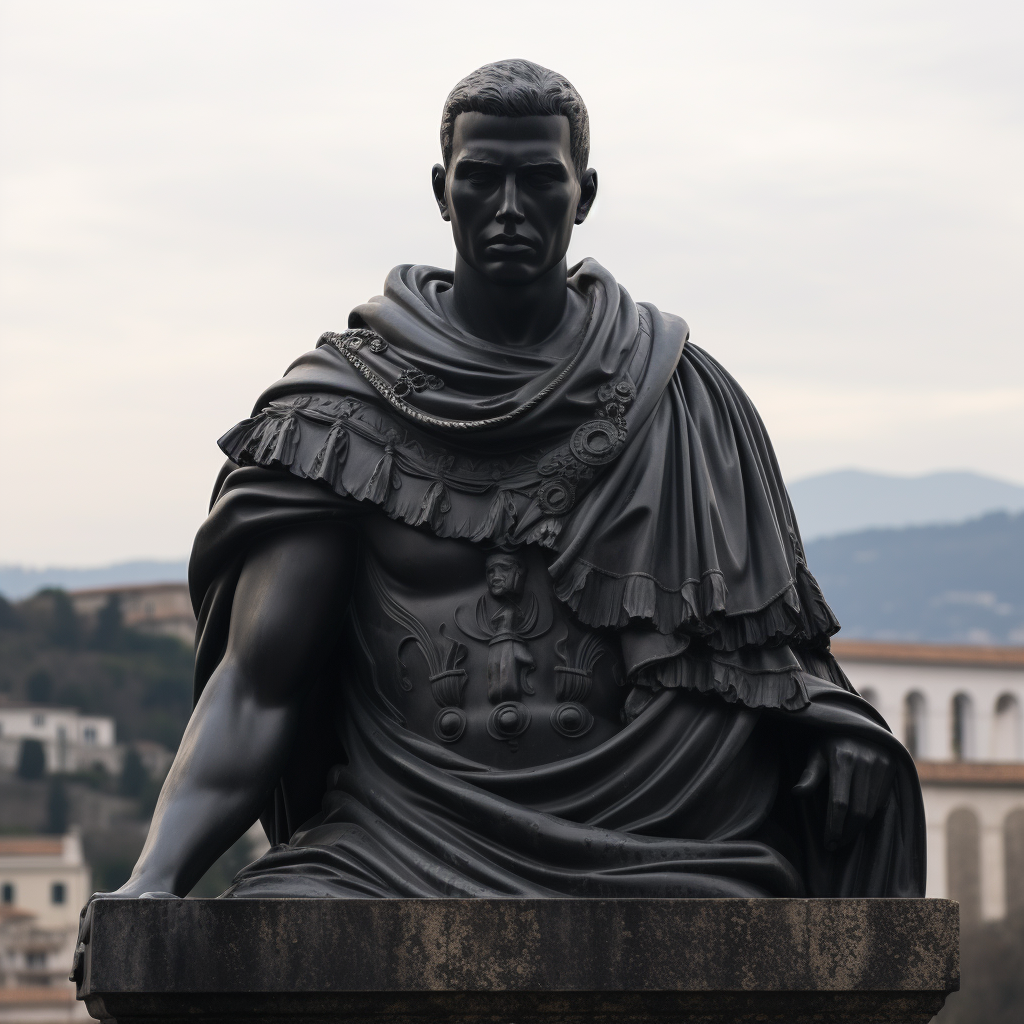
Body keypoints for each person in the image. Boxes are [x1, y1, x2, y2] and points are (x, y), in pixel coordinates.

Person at [80, 60, 925, 923]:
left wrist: (834, 729)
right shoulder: (345, 412)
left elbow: (768, 645)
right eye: (484, 179)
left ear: (584, 193)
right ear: (444, 190)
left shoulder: (682, 398)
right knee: (270, 931)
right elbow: (259, 682)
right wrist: (157, 875)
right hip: (398, 837)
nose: (511, 209)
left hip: (664, 831)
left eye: (540, 180)